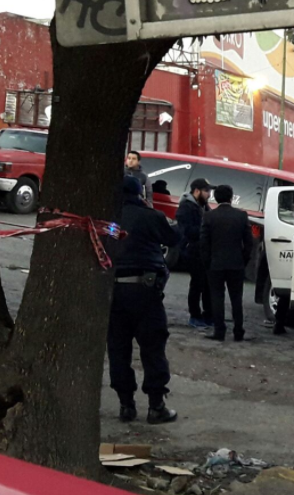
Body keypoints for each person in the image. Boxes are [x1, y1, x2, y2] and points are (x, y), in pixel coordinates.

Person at [107, 176, 180, 424]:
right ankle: (156, 406)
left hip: (115, 292)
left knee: (118, 348)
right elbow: (173, 238)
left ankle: (126, 405)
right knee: (152, 347)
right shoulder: (151, 216)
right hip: (146, 291)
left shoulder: (111, 221)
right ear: (140, 193)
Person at [201, 185, 254, 342]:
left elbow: (204, 242)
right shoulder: (241, 216)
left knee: (217, 297)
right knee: (236, 298)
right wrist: (244, 259)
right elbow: (249, 242)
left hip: (215, 263)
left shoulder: (209, 217)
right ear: (231, 197)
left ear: (215, 198)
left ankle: (219, 331)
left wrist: (207, 261)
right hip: (236, 262)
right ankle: (238, 331)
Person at [177, 178, 214, 329]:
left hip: (204, 251)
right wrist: (205, 232)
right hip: (192, 251)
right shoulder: (186, 207)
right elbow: (186, 231)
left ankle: (208, 315)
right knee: (197, 284)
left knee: (207, 285)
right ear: (197, 191)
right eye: (206, 191)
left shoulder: (204, 206)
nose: (209, 194)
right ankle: (195, 316)